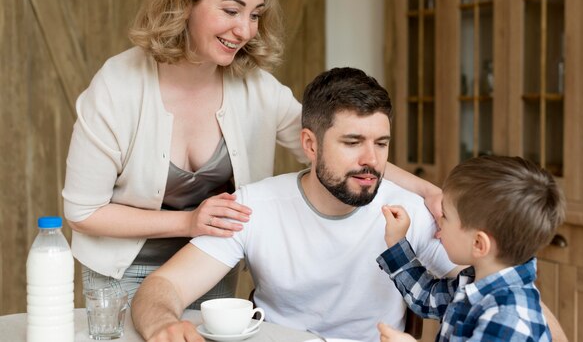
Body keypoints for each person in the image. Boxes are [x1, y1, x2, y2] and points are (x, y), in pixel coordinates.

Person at [61, 0, 441, 305]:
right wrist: (187, 222)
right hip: (120, 270)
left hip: (212, 264)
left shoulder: (257, 89)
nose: (244, 30)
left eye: (255, 14)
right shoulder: (117, 86)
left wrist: (427, 192)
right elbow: (83, 212)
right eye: (231, 10)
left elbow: (336, 147)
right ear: (185, 0)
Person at [131, 67, 458, 342]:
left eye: (381, 144)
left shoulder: (410, 211)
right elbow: (164, 285)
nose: (371, 160)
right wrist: (162, 324)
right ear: (310, 145)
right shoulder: (256, 206)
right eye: (352, 142)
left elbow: (480, 290)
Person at [377, 155, 567, 342]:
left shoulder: (508, 317)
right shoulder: (475, 282)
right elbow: (426, 297)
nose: (438, 219)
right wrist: (397, 244)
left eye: (445, 216)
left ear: (478, 244)